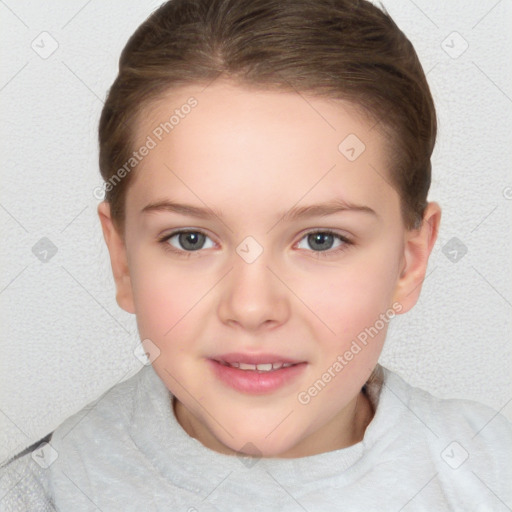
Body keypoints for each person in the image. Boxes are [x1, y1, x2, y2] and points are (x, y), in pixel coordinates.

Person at [1, 0, 510, 510]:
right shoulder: (43, 494)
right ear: (123, 258)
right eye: (190, 239)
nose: (250, 306)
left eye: (321, 240)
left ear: (409, 261)